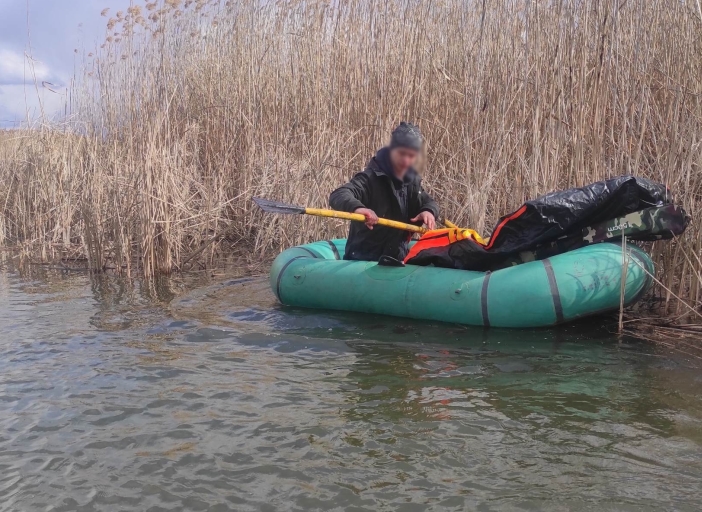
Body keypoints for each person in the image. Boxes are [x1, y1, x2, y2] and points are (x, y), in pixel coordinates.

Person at [329, 122, 439, 261]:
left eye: (411, 156)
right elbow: (339, 194)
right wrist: (358, 208)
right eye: (401, 153)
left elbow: (429, 202)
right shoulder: (370, 178)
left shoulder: (412, 183)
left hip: (397, 261)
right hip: (363, 261)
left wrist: (428, 211)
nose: (405, 161)